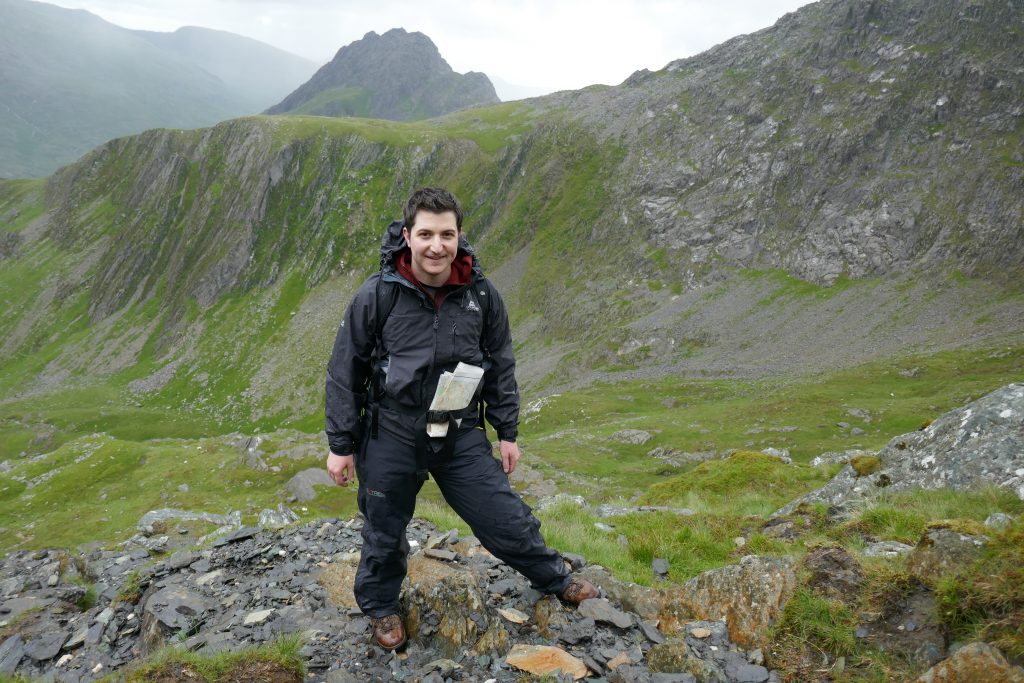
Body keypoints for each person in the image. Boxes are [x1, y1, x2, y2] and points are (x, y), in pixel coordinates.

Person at [325, 187, 597, 650]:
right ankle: (381, 608)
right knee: (384, 530)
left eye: (446, 235)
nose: (437, 246)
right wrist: (341, 444)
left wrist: (507, 432)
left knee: (504, 517)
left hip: (458, 431)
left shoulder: (481, 295)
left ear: (459, 236)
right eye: (426, 234)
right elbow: (344, 370)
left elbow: (500, 363)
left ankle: (553, 577)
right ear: (408, 236)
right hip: (391, 432)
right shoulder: (378, 294)